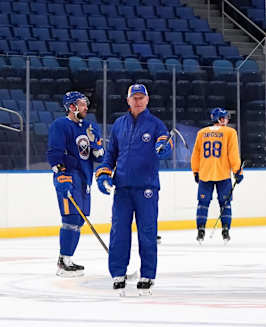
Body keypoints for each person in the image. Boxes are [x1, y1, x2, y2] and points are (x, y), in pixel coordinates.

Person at [95, 84, 173, 295]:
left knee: (147, 232)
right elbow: (110, 154)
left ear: (147, 100)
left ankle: (147, 275)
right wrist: (103, 173)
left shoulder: (156, 124)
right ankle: (118, 274)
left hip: (147, 188)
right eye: (134, 97)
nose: (137, 101)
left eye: (141, 97)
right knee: (119, 232)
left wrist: (164, 148)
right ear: (128, 100)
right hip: (122, 187)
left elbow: (165, 144)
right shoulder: (119, 124)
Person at [47, 91, 104, 277]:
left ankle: (67, 259)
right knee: (70, 219)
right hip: (69, 177)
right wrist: (61, 175)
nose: (86, 107)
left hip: (85, 178)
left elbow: (99, 156)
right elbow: (55, 153)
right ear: (72, 107)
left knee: (79, 220)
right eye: (82, 104)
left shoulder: (90, 126)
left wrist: (97, 146)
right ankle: (63, 261)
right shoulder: (60, 125)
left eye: (86, 104)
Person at [191, 107, 243, 243]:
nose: (226, 120)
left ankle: (200, 230)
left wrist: (196, 171)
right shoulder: (230, 132)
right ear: (219, 119)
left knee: (202, 203)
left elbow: (195, 154)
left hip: (205, 174)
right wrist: (238, 171)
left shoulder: (201, 133)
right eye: (225, 117)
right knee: (225, 203)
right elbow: (233, 154)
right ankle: (225, 230)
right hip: (223, 175)